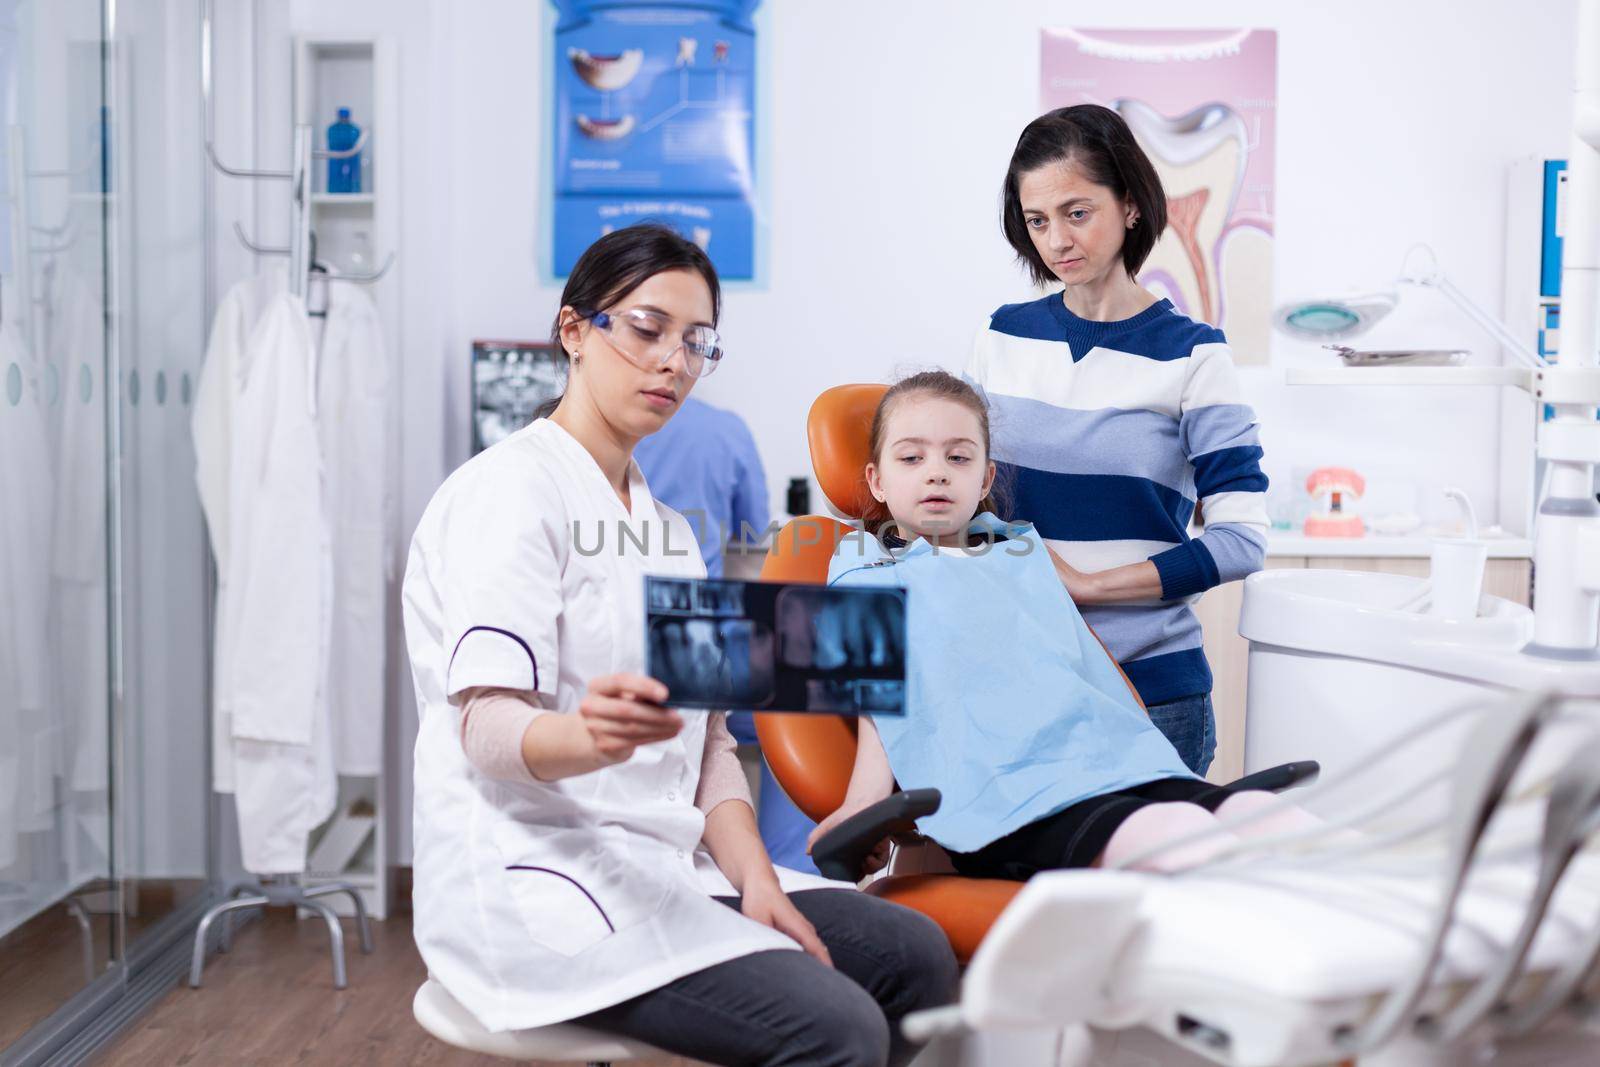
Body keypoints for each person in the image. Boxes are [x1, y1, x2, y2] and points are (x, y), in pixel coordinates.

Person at [402, 225, 956, 1067]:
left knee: (916, 954)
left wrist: (757, 880)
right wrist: (583, 736)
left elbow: (711, 746)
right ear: (575, 331)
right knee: (838, 1027)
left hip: (663, 868)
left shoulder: (661, 529)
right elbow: (485, 730)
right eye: (648, 328)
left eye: (697, 343)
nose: (674, 362)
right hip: (537, 885)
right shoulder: (507, 494)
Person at [809, 372, 1317, 879]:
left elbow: (1081, 664)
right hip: (1008, 794)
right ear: (877, 479)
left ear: (986, 479)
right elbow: (878, 700)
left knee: (1267, 820)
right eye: (912, 458)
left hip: (1111, 760)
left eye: (958, 457)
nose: (937, 473)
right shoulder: (864, 567)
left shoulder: (1018, 549)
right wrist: (865, 804)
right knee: (1173, 835)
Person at [965, 104, 1270, 775]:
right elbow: (967, 499)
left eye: (1078, 212)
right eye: (1037, 220)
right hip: (1023, 682)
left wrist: (1087, 586)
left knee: (1140, 881)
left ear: (1130, 205)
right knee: (1021, 884)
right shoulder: (1001, 338)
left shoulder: (1195, 357)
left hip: (1152, 693)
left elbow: (1242, 539)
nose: (1057, 241)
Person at [635, 395, 824, 873]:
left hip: (627, 646)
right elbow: (755, 531)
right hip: (694, 643)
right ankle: (792, 871)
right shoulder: (722, 430)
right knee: (810, 701)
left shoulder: (586, 444)